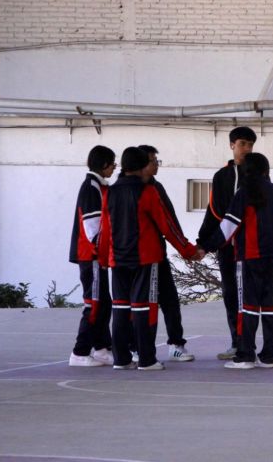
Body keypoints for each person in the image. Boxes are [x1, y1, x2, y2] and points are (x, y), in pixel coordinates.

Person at [99, 147, 202, 371]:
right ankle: (146, 359)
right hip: (145, 260)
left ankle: (121, 359)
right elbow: (167, 226)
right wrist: (188, 251)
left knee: (120, 308)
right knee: (144, 308)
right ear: (141, 165)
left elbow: (105, 229)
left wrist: (104, 258)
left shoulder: (110, 192)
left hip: (117, 260)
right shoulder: (148, 192)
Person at [202, 152, 273, 369]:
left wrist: (205, 246)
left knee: (246, 307)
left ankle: (246, 355)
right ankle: (268, 356)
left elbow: (228, 226)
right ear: (266, 170)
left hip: (249, 257)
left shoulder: (243, 193)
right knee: (270, 307)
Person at [197, 126, 257, 360]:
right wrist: (203, 242)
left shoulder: (258, 175)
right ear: (232, 145)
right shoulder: (221, 176)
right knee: (231, 293)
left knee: (249, 295)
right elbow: (213, 211)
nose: (247, 149)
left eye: (250, 145)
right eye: (242, 144)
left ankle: (249, 344)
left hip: (250, 247)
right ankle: (236, 342)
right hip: (226, 246)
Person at [137, 145, 195, 363]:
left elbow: (169, 222)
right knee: (136, 304)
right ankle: (136, 348)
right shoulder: (123, 189)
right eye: (153, 161)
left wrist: (186, 249)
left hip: (156, 255)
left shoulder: (156, 188)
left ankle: (176, 345)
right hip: (132, 259)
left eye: (156, 161)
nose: (156, 165)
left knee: (169, 299)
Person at [68, 145, 116, 367]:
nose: (114, 168)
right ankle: (79, 352)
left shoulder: (99, 186)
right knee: (94, 303)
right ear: (104, 164)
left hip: (97, 257)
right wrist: (102, 255)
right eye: (113, 164)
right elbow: (92, 228)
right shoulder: (90, 188)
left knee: (104, 302)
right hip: (91, 256)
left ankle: (102, 348)